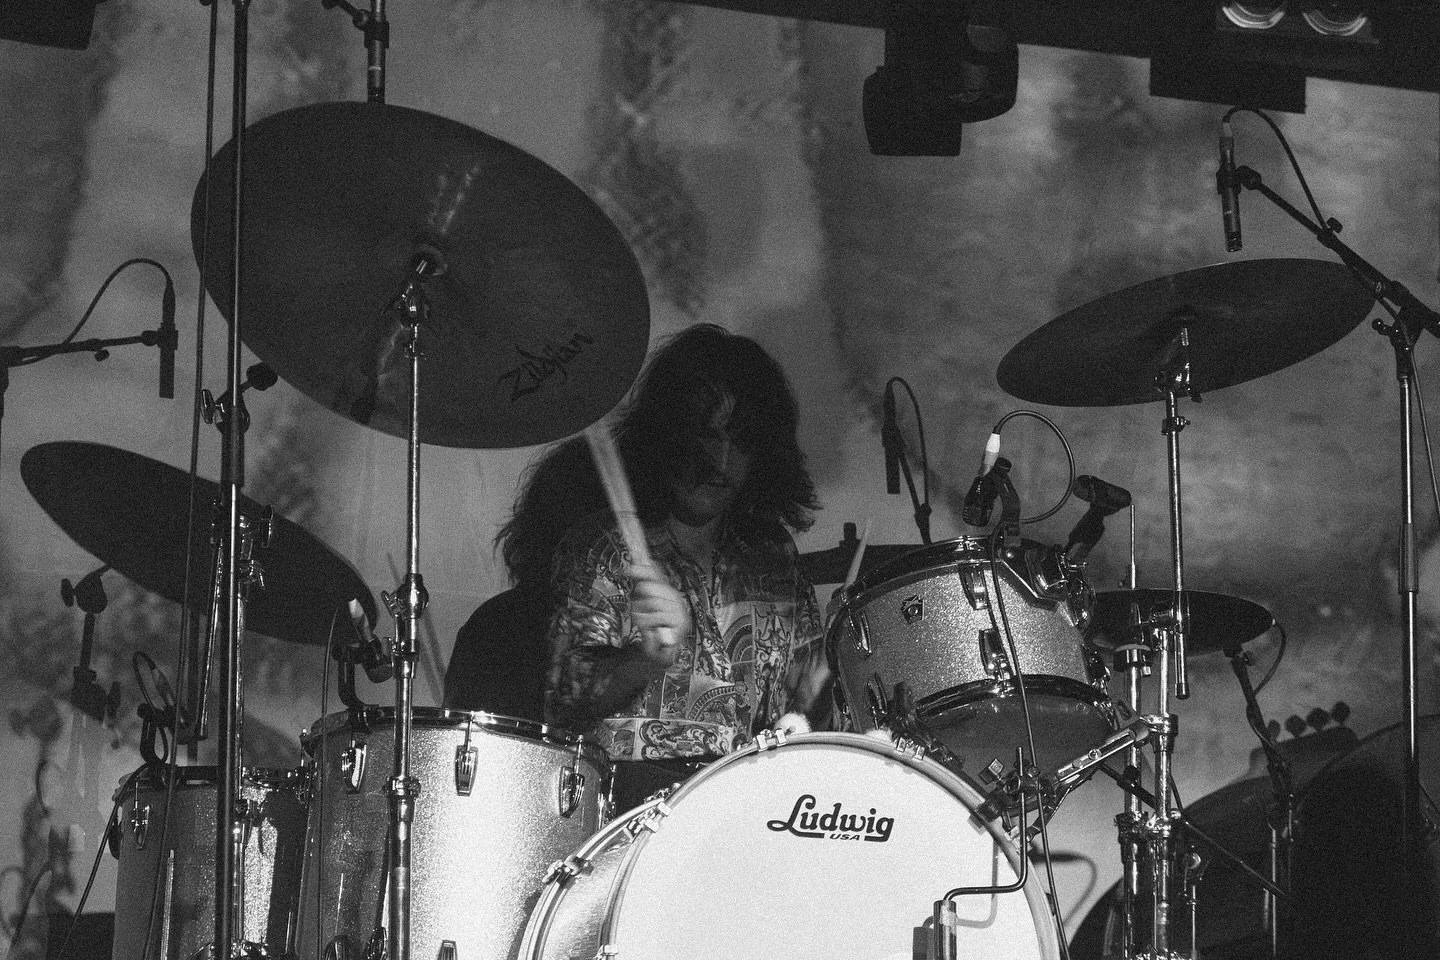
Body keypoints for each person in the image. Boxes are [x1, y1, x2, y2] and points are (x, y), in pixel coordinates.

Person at [545, 323, 829, 812]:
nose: (720, 461)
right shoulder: (604, 547)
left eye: (741, 442)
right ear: (666, 436)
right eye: (705, 435)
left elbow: (806, 714)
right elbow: (562, 702)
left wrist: (815, 701)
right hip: (629, 813)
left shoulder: (774, 557)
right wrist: (644, 660)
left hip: (745, 812)